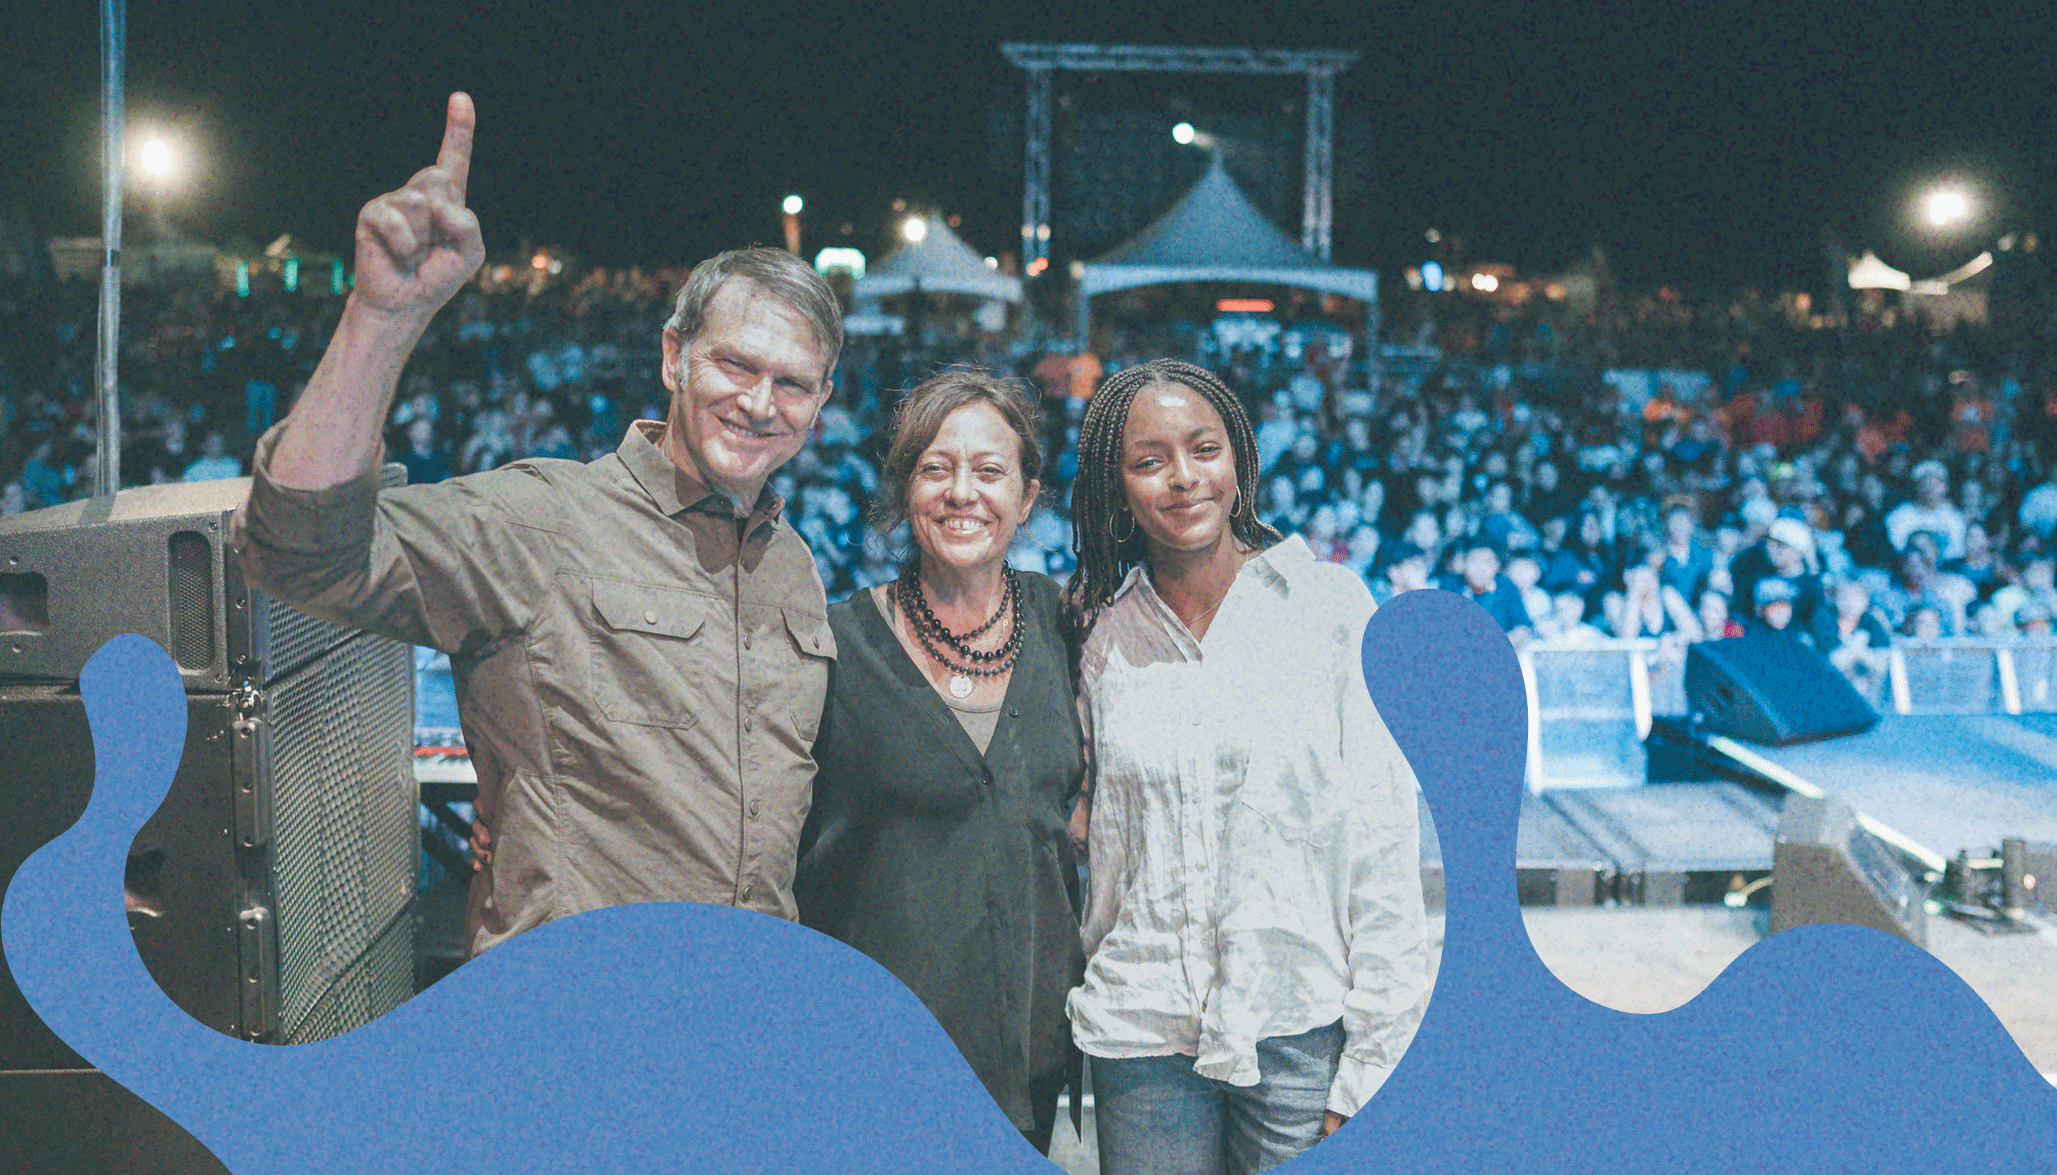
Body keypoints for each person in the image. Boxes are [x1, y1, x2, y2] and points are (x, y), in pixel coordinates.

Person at [231, 95, 844, 957]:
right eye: (735, 364)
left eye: (791, 382)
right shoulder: (541, 521)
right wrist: (381, 320)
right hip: (566, 1033)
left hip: (732, 1031)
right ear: (673, 355)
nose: (758, 401)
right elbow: (300, 550)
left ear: (820, 405)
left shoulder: (795, 569)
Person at [1059, 359, 1430, 1175]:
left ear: (1239, 463)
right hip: (1141, 1032)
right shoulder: (1100, 639)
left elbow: (1381, 844)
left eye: (1203, 449)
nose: (1183, 478)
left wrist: (1374, 1058)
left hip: (1300, 1032)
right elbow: (1092, 837)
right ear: (1116, 489)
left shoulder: (1329, 608)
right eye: (1148, 461)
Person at [793, 372, 1086, 1155]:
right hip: (875, 1066)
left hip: (1028, 1060)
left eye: (990, 472)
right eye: (935, 468)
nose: (963, 492)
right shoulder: (835, 645)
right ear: (903, 491)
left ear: (1026, 499)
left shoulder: (1068, 627)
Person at [1885, 460, 1968, 558]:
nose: (1930, 488)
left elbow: (1958, 551)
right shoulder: (1899, 516)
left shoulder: (1954, 517)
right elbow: (1899, 550)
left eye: (1936, 484)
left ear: (1946, 488)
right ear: (1917, 487)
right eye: (1925, 483)